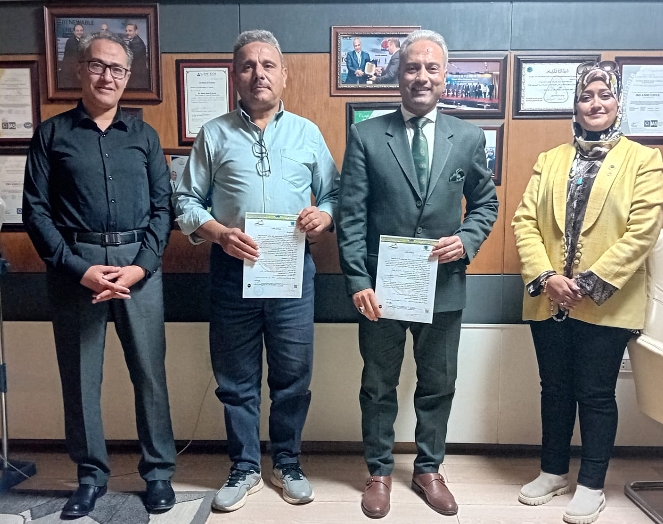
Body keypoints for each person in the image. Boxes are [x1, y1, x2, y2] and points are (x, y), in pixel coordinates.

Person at [173, 29, 339, 512]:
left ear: (285, 75)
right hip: (231, 272)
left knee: (292, 377)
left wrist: (324, 216)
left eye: (268, 65)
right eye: (248, 65)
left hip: (292, 273)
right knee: (235, 380)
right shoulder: (213, 134)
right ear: (235, 76)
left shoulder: (307, 132)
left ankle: (287, 462)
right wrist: (219, 232)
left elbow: (334, 193)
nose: (258, 74)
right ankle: (244, 467)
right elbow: (185, 201)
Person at [337, 29, 499, 519]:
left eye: (431, 68)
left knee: (438, 383)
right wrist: (358, 281)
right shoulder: (367, 135)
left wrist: (466, 239)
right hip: (381, 291)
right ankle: (379, 472)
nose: (421, 76)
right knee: (378, 385)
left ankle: (429, 469)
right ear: (398, 75)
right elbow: (351, 215)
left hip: (443, 286)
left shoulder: (467, 137)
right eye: (412, 67)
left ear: (445, 76)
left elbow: (485, 204)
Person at [22, 32, 177, 518]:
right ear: (79, 70)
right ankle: (90, 477)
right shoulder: (51, 134)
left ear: (128, 77)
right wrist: (79, 269)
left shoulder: (144, 136)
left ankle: (158, 474)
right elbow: (35, 212)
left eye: (117, 69)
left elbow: (164, 209)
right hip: (76, 268)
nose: (107, 76)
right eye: (97, 66)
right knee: (80, 378)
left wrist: (140, 267)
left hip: (138, 268)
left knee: (150, 375)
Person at [512, 61, 663, 524]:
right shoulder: (550, 159)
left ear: (619, 102)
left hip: (607, 302)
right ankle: (553, 471)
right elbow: (524, 222)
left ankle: (592, 484)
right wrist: (546, 277)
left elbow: (642, 232)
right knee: (554, 390)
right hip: (548, 298)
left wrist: (586, 284)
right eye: (585, 96)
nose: (595, 104)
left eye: (604, 95)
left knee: (596, 394)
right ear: (575, 105)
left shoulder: (645, 160)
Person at [60, 24, 84, 89]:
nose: (79, 32)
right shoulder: (70, 42)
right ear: (74, 32)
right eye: (77, 31)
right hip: (71, 69)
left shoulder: (84, 40)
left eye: (81, 30)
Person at [125, 23, 148, 89]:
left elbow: (129, 58)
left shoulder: (137, 44)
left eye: (130, 31)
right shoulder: (133, 41)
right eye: (126, 31)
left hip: (136, 77)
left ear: (136, 32)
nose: (127, 33)